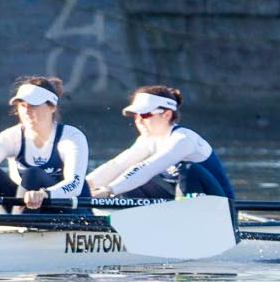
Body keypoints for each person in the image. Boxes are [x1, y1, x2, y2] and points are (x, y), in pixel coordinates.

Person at [0, 76, 90, 212]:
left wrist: (44, 194)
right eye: (23, 105)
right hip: (26, 206)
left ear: (52, 107)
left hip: (68, 210)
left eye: (33, 105)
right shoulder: (11, 137)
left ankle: (20, 224)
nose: (27, 111)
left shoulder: (72, 137)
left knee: (33, 174)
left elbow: (74, 184)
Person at [87, 85, 236, 201]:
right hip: (185, 204)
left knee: (188, 169)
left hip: (219, 210)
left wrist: (109, 190)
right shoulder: (148, 140)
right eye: (136, 115)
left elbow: (147, 167)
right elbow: (117, 165)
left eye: (145, 114)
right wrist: (85, 186)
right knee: (127, 182)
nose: (138, 121)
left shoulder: (183, 139)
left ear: (167, 114)